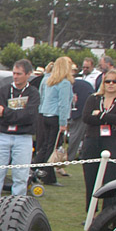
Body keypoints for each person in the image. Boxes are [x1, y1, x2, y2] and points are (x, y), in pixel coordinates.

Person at [80, 68, 116, 209]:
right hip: (92, 140)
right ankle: (91, 212)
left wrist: (101, 115)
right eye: (107, 81)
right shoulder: (94, 98)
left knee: (110, 178)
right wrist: (109, 119)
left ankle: (108, 211)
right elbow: (86, 118)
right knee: (91, 177)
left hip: (112, 141)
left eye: (114, 82)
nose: (110, 84)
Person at [0, 59, 40, 197]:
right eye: (14, 73)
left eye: (19, 73)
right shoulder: (4, 91)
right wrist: (16, 114)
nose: (16, 76)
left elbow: (29, 116)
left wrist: (6, 112)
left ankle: (17, 204)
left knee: (21, 175)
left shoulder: (33, 93)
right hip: (3, 135)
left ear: (28, 74)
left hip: (23, 137)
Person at [33, 56, 74, 184]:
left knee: (45, 146)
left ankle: (34, 169)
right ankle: (47, 175)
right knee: (53, 147)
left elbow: (42, 97)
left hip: (45, 114)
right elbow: (63, 104)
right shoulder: (64, 83)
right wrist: (63, 122)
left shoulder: (47, 80)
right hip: (55, 116)